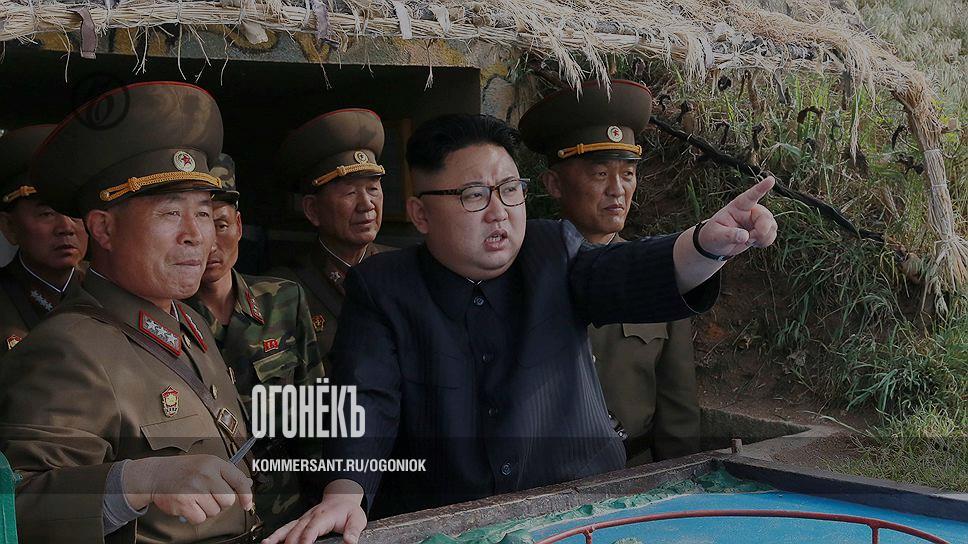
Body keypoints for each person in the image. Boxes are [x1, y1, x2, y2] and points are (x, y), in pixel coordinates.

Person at [266, 111, 778, 543]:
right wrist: (346, 492)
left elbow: (627, 272)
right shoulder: (383, 286)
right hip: (451, 524)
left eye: (510, 190)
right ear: (421, 215)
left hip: (579, 514)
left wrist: (706, 245)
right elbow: (366, 396)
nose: (500, 213)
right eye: (474, 195)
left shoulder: (554, 249)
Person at [0, 82, 260, 543]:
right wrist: (136, 481)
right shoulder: (69, 348)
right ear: (103, 228)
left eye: (203, 213)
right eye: (169, 213)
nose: (195, 234)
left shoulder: (190, 323)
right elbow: (16, 508)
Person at [520, 80, 700, 464]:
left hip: (632, 475)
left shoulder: (659, 274)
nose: (617, 190)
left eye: (628, 174)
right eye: (600, 174)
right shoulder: (520, 273)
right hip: (540, 477)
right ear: (554, 184)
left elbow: (678, 408)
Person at [186, 152, 324, 532]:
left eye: (221, 224)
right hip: (207, 521)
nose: (211, 244)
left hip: (286, 509)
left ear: (239, 226)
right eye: (200, 225)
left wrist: (324, 501)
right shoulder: (166, 318)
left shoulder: (283, 299)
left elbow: (315, 414)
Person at [271, 109, 394, 368]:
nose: (367, 205)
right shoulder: (283, 290)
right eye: (350, 193)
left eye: (373, 189)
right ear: (312, 210)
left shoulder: (408, 269)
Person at [0, 124, 88, 352]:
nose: (66, 227)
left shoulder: (109, 291)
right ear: (9, 227)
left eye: (74, 212)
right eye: (47, 213)